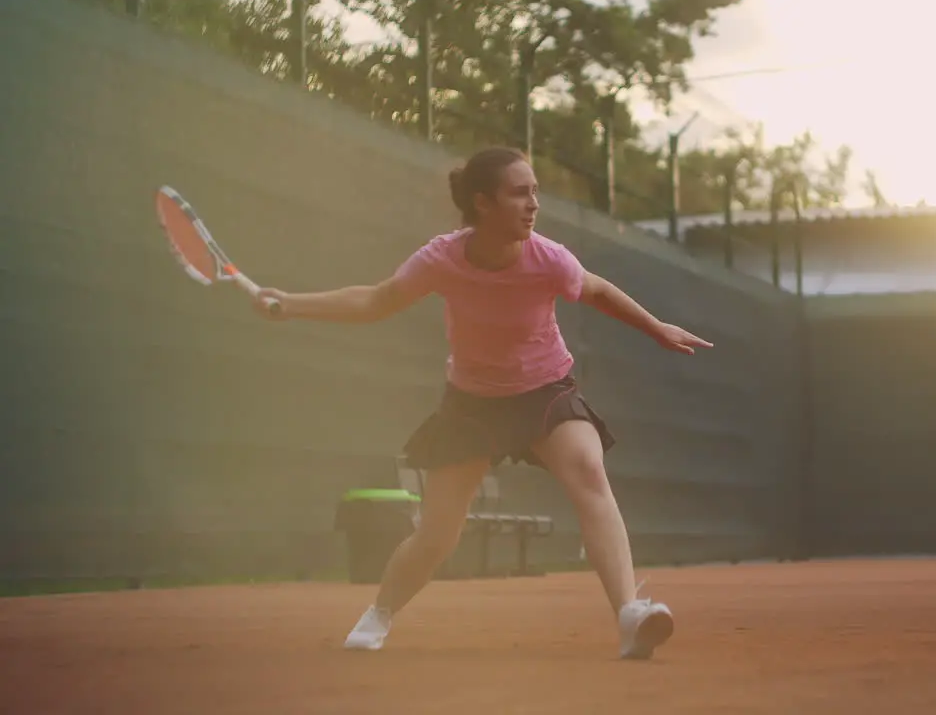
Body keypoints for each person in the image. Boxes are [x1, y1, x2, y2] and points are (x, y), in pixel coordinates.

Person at [251, 146, 713, 660]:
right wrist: (291, 305)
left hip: (546, 389)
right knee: (438, 535)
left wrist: (656, 328)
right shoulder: (441, 259)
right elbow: (376, 301)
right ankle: (379, 612)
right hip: (472, 404)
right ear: (483, 204)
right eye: (520, 192)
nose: (533, 203)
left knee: (587, 469)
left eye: (535, 191)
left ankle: (630, 614)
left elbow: (598, 291)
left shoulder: (550, 259)